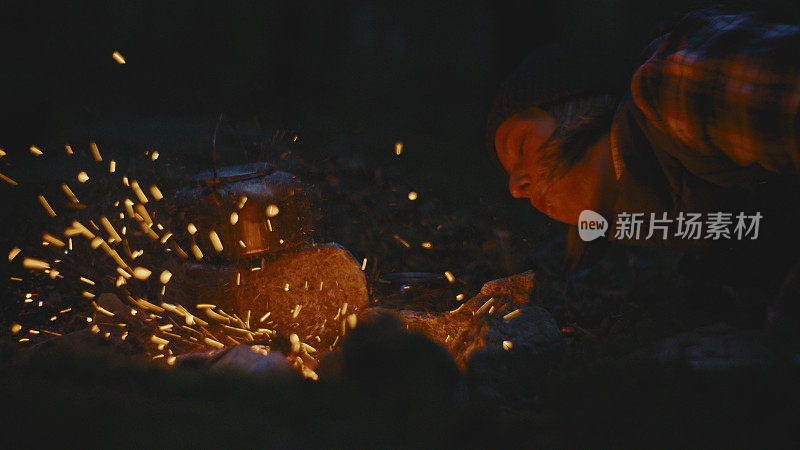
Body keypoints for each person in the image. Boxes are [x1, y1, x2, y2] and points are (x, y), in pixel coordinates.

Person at [487, 7, 800, 293]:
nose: (516, 189)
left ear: (579, 104)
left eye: (521, 144)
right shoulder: (668, 217)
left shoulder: (673, 86)